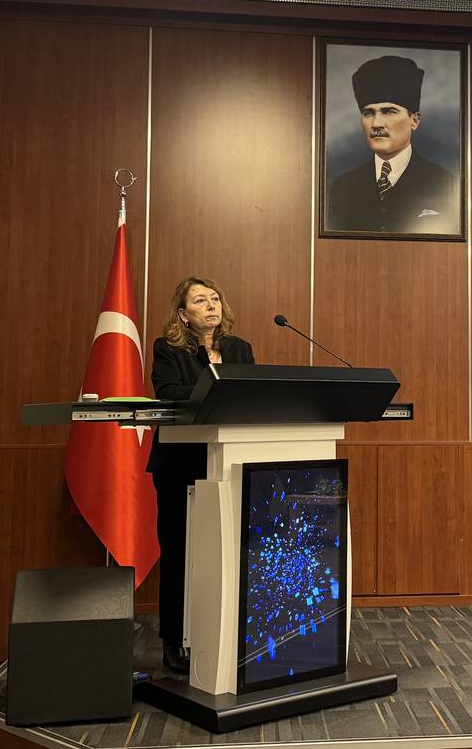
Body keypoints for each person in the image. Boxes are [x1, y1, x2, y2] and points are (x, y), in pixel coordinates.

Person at [149, 276, 254, 675]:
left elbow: (252, 391)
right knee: (181, 552)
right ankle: (175, 640)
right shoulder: (168, 348)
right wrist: (217, 388)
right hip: (181, 464)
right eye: (200, 300)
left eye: (215, 299)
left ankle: (225, 633)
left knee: (227, 553)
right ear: (183, 314)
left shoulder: (239, 348)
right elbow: (168, 392)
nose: (211, 305)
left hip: (231, 461)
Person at [326, 54, 460, 234]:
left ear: (414, 120)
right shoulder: (343, 187)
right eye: (368, 113)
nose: (376, 124)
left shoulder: (444, 182)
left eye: (389, 111)